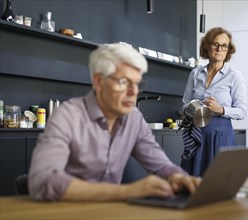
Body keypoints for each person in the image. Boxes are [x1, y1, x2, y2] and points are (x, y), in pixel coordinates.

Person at [28, 44, 201, 201]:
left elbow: (162, 165)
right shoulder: (68, 115)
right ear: (98, 82)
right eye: (124, 82)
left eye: (137, 84)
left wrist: (178, 177)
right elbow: (43, 181)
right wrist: (128, 191)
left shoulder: (134, 118)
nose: (134, 92)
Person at [181, 27, 246, 176]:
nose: (219, 49)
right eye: (215, 44)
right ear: (207, 46)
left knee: (220, 182)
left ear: (228, 50)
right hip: (196, 134)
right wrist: (194, 109)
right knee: (193, 182)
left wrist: (220, 109)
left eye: (224, 46)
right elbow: (184, 104)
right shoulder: (195, 73)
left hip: (220, 137)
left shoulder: (234, 76)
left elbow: (242, 111)